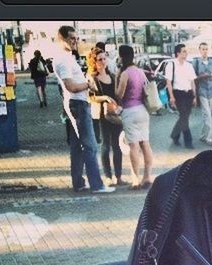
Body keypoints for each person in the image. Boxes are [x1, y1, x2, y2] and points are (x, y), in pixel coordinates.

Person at [53, 25, 115, 193]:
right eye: (71, 38)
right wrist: (88, 85)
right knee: (90, 145)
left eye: (76, 38)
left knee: (76, 146)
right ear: (62, 39)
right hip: (78, 104)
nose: (75, 41)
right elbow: (71, 86)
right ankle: (97, 184)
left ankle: (78, 182)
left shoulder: (66, 57)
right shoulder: (63, 60)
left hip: (75, 104)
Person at [115, 44, 154, 189]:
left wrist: (116, 79)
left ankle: (135, 179)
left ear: (121, 57)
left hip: (129, 111)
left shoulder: (125, 74)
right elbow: (145, 91)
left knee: (134, 146)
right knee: (145, 143)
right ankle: (148, 176)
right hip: (143, 110)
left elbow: (119, 95)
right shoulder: (140, 72)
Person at [88, 47, 126, 187]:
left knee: (118, 146)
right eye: (99, 59)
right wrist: (105, 97)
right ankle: (108, 177)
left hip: (115, 114)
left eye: (104, 59)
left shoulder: (112, 75)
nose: (103, 62)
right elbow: (91, 98)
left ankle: (119, 176)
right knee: (106, 145)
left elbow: (118, 94)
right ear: (94, 61)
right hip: (102, 115)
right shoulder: (93, 78)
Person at [165, 43, 197, 149]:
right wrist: (171, 96)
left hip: (188, 94)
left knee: (184, 117)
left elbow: (192, 82)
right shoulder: (171, 65)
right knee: (184, 117)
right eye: (184, 51)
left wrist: (194, 96)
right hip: (178, 94)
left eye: (186, 51)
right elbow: (168, 82)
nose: (186, 53)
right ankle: (189, 141)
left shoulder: (189, 65)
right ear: (178, 53)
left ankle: (175, 135)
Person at [192, 42, 212, 145]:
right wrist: (202, 76)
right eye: (203, 49)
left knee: (211, 114)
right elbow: (193, 78)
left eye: (206, 49)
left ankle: (203, 136)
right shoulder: (196, 63)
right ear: (200, 50)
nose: (205, 51)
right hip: (202, 91)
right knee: (207, 115)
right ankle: (209, 138)